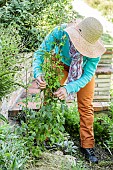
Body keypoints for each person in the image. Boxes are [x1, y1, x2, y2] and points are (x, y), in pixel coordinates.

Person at [33, 17, 106, 163]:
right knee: (50, 97)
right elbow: (41, 52)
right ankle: (45, 137)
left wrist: (68, 88)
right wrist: (38, 73)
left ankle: (87, 145)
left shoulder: (95, 52)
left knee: (86, 106)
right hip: (60, 62)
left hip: (83, 71)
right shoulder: (60, 32)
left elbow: (87, 75)